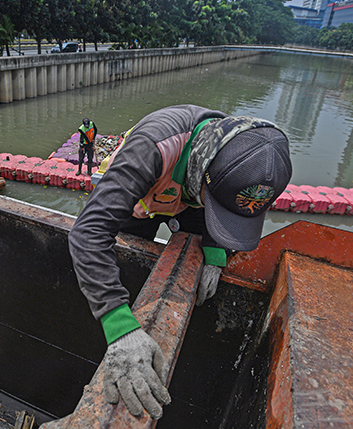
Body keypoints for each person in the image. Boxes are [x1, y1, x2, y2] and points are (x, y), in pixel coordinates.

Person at [67, 105, 292, 420]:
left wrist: (215, 250)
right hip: (144, 198)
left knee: (203, 224)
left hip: (190, 198)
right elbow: (88, 232)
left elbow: (222, 204)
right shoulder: (150, 148)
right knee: (126, 261)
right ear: (202, 171)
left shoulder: (240, 151)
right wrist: (120, 328)